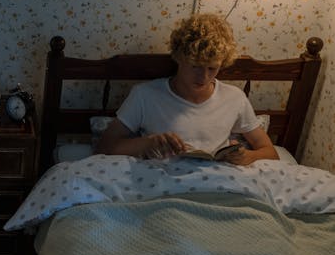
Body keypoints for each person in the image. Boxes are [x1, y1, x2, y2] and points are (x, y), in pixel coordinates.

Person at [95, 13, 278, 166]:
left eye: (212, 68)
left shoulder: (234, 98)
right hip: (162, 182)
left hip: (218, 182)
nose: (203, 77)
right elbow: (105, 146)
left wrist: (249, 156)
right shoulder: (145, 95)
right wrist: (147, 144)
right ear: (179, 58)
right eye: (195, 66)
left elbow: (270, 152)